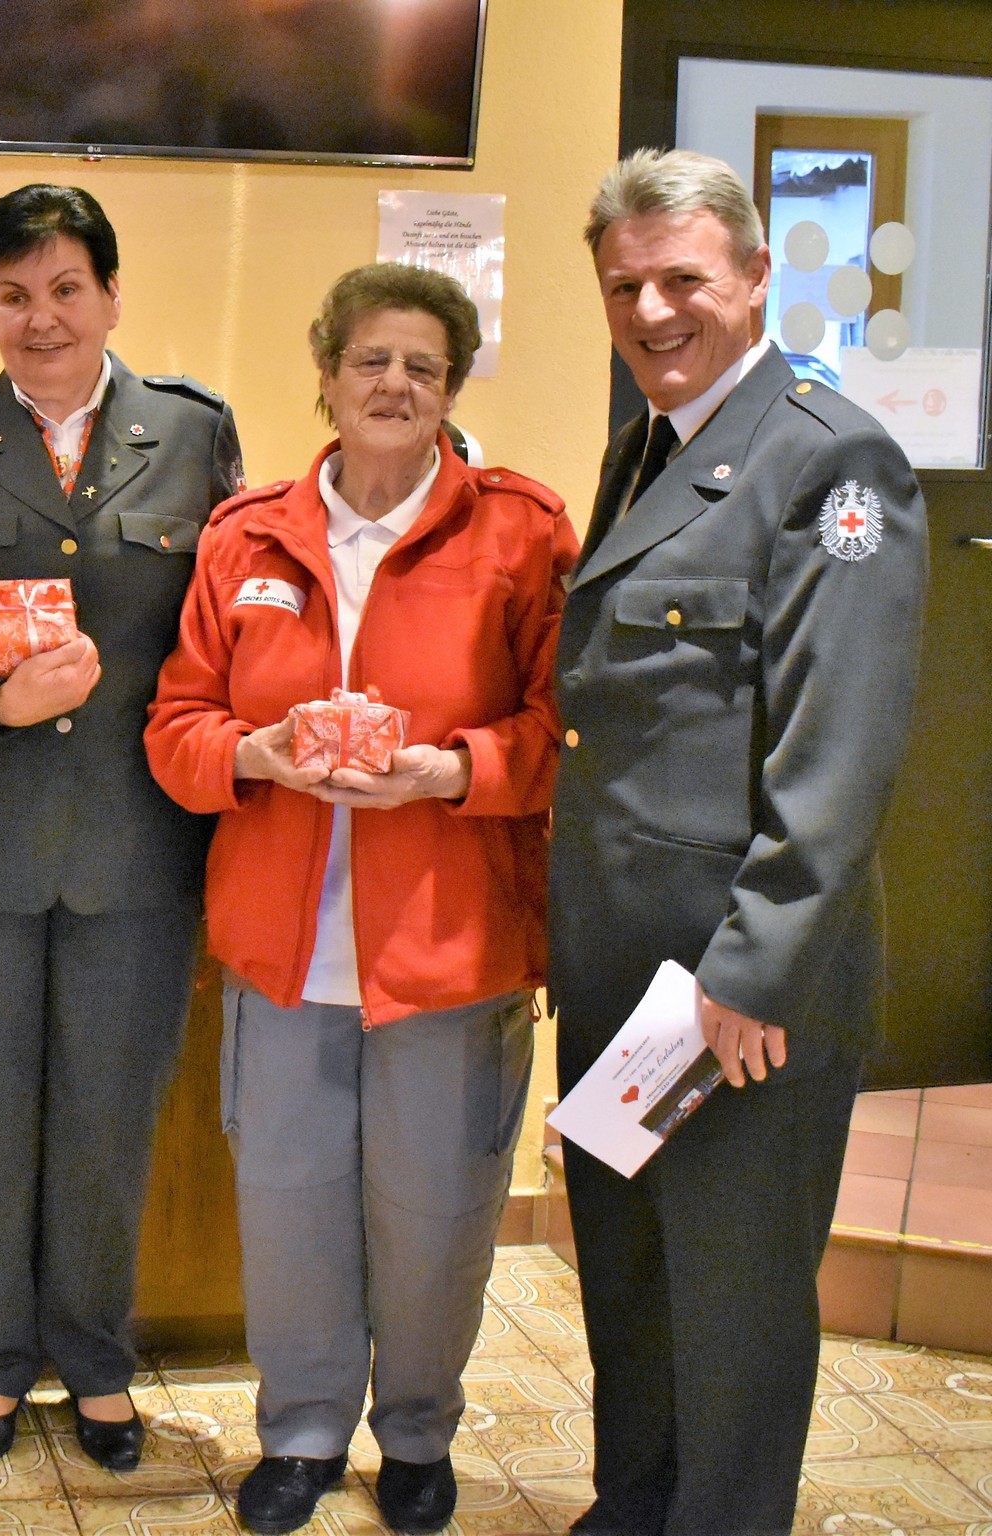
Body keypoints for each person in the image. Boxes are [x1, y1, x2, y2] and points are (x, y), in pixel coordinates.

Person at [144, 261, 572, 1534]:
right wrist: (249, 755)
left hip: (450, 949)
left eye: (424, 366)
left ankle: (422, 1432)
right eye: (371, 360)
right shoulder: (249, 534)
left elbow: (565, 731)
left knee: (437, 1218)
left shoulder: (522, 530)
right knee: (287, 1212)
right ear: (325, 373)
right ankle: (303, 1433)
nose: (395, 384)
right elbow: (177, 724)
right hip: (280, 953)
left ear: (452, 388)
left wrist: (455, 771)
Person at [553, 148, 926, 1536]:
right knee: (634, 1280)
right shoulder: (649, 443)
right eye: (624, 284)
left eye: (682, 279)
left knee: (734, 1303)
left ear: (757, 276)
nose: (651, 309)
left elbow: (838, 754)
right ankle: (635, 1507)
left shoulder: (831, 457)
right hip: (626, 974)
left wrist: (754, 974)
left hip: (737, 991)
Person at [0, 184, 243, 1475]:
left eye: (66, 288)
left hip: (135, 844)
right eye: (14, 295)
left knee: (106, 1120)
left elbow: (226, 630)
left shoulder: (193, 436)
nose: (41, 317)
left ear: (112, 296)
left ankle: (94, 1360)